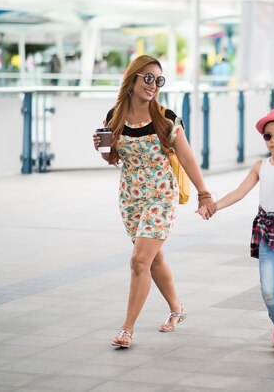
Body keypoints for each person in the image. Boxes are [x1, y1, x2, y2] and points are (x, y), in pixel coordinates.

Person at [92, 54, 217, 348]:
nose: (153, 85)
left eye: (158, 80)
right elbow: (113, 159)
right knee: (153, 257)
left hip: (161, 196)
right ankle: (177, 308)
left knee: (139, 260)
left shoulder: (166, 118)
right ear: (133, 78)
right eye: (148, 78)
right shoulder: (114, 117)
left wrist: (204, 193)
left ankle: (127, 329)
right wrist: (100, 148)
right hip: (130, 197)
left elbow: (186, 157)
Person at [198, 109, 274, 358]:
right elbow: (239, 192)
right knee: (269, 291)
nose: (272, 140)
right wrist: (213, 207)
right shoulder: (261, 166)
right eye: (267, 136)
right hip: (266, 235)